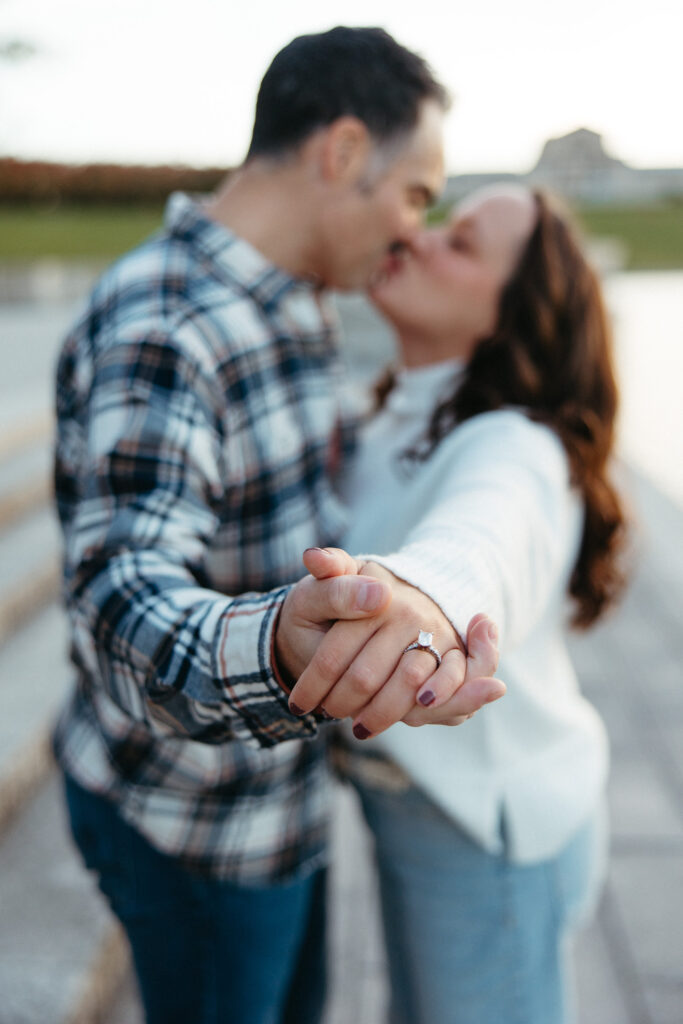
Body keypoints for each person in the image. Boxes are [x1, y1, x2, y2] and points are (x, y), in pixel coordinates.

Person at [53, 27, 502, 1024]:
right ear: (342, 151)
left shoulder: (296, 294)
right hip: (195, 826)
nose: (412, 231)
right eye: (414, 193)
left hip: (282, 797)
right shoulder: (167, 323)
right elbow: (118, 592)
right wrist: (277, 644)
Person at [293, 184, 628, 1023]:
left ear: (510, 317)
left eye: (463, 243)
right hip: (419, 811)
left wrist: (425, 599)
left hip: (487, 838)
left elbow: (486, 531)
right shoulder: (387, 417)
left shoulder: (516, 443)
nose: (420, 236)